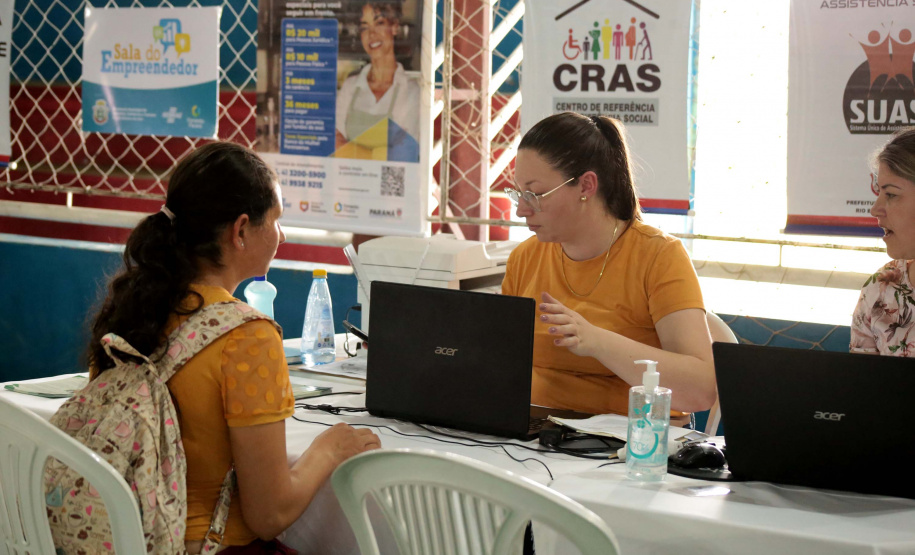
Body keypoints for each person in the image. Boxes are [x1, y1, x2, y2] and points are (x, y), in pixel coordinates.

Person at [87, 142, 381, 553]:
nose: (282, 234)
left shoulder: (130, 310)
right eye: (276, 220)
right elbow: (269, 515)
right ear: (240, 230)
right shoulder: (247, 335)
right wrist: (328, 450)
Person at [501, 112, 717, 422]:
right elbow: (500, 364)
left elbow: (700, 390)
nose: (521, 210)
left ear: (586, 186)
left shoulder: (657, 256)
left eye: (534, 194)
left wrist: (597, 341)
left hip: (631, 443)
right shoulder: (525, 258)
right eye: (518, 194)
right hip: (533, 433)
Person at [851, 127, 915, 356]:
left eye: (891, 194)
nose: (875, 209)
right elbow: (860, 388)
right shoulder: (880, 288)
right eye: (878, 193)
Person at [334, 1, 420, 162]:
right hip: (348, 184)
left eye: (379, 23)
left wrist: (350, 150)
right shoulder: (350, 87)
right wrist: (379, 154)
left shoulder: (410, 91)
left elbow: (402, 158)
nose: (371, 35)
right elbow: (334, 145)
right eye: (365, 27)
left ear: (395, 27)